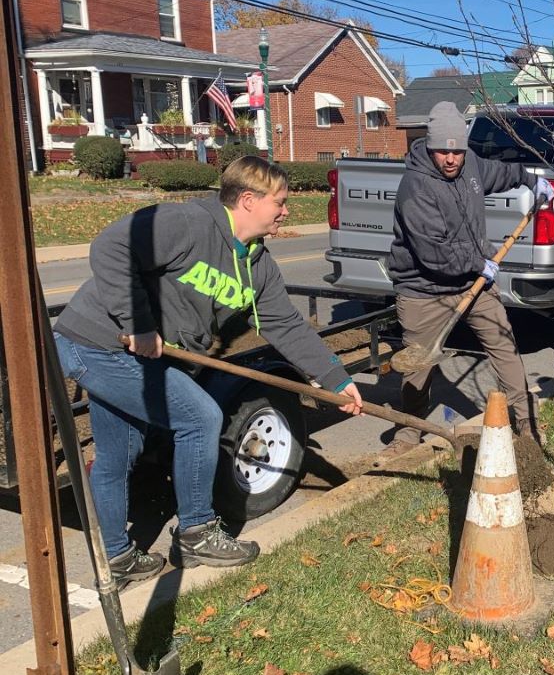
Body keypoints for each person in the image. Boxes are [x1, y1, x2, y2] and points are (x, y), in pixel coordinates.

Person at [53, 156, 363, 586]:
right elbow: (111, 246)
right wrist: (138, 324)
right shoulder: (188, 223)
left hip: (136, 357)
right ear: (249, 200)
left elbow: (287, 326)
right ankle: (196, 533)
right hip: (96, 342)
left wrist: (337, 380)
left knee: (118, 455)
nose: (286, 211)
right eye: (281, 202)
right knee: (200, 417)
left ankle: (116, 560)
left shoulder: (257, 265)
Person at [382, 101, 554, 456]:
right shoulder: (416, 188)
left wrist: (530, 180)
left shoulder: (470, 165)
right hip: (423, 288)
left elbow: (498, 173)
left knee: (504, 345)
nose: (450, 158)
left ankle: (525, 421)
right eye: (442, 150)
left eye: (457, 150)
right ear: (429, 147)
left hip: (474, 283)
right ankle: (408, 432)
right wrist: (480, 262)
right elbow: (434, 254)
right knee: (419, 362)